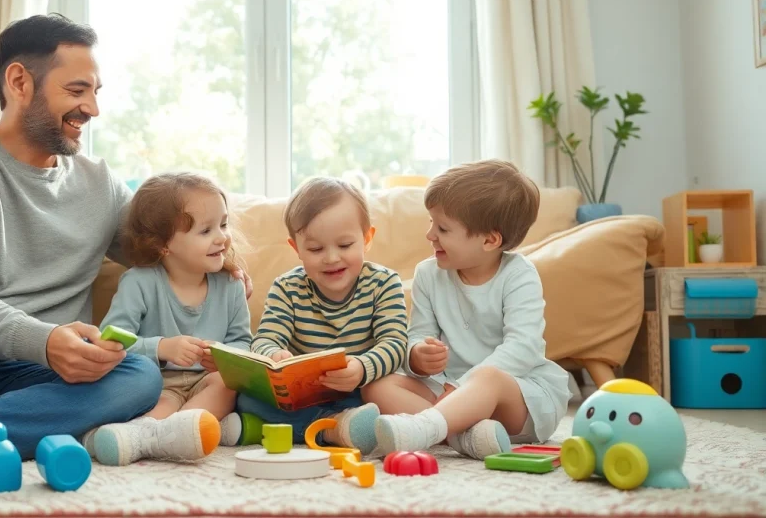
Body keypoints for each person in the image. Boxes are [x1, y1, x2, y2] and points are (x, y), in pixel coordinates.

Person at [0, 14, 250, 471]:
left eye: (96, 93)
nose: (93, 109)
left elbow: (162, 242)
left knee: (136, 378)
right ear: (19, 82)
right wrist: (46, 340)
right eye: (77, 91)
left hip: (35, 371)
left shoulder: (100, 185)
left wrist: (224, 257)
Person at [372, 159, 571, 460]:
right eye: (431, 223)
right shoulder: (428, 274)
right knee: (377, 385)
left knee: (488, 378)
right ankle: (464, 437)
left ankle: (427, 428)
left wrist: (464, 385)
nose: (430, 235)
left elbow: (523, 347)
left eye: (443, 228)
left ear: (490, 240)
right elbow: (418, 333)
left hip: (515, 396)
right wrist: (418, 355)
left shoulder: (519, 274)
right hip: (447, 389)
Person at [88, 172, 253, 466]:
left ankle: (168, 434)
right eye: (205, 231)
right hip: (160, 385)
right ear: (164, 244)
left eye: (223, 224)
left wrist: (225, 355)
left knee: (227, 383)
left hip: (208, 383)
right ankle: (181, 432)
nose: (222, 237)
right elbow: (110, 342)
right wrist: (162, 348)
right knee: (159, 397)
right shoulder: (139, 282)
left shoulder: (231, 285)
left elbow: (243, 341)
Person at [235, 177, 409, 454]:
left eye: (344, 245)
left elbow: (395, 343)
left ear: (366, 239)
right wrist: (274, 354)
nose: (331, 258)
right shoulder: (286, 287)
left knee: (386, 392)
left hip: (361, 390)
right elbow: (265, 338)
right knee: (245, 398)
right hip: (306, 397)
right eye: (316, 249)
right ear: (296, 249)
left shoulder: (384, 283)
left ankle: (283, 428)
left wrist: (362, 368)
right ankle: (334, 427)